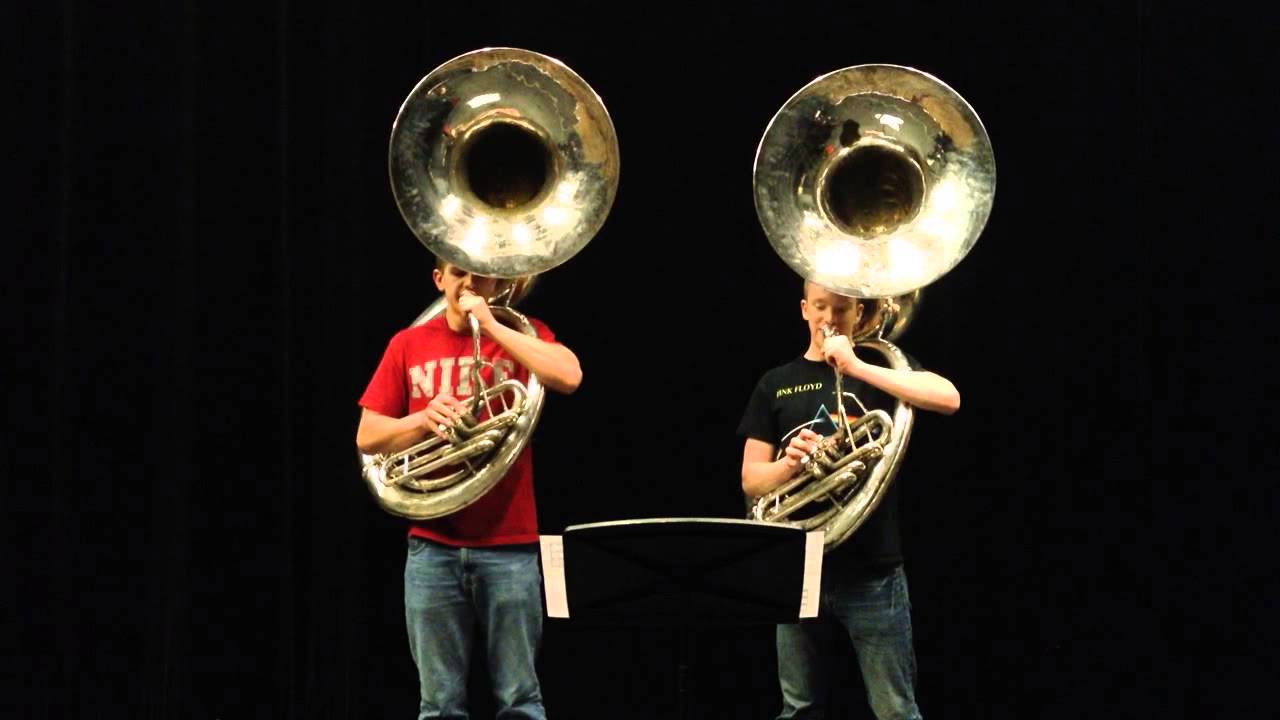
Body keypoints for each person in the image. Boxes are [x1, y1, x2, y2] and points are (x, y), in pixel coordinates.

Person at [356, 259, 582, 720]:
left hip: (510, 545)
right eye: (459, 272)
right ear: (439, 279)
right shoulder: (408, 343)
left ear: (501, 282)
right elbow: (367, 435)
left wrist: (492, 326)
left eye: (482, 274)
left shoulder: (524, 333)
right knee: (439, 706)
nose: (469, 283)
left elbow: (569, 376)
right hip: (431, 547)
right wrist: (423, 419)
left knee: (520, 701)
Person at [737, 280, 961, 720]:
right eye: (820, 307)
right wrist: (791, 467)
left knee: (895, 710)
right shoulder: (775, 384)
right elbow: (751, 480)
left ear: (860, 313)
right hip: (799, 570)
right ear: (804, 308)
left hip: (871, 570)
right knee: (798, 708)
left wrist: (856, 366)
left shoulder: (880, 368)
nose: (829, 319)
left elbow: (949, 398)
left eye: (841, 310)